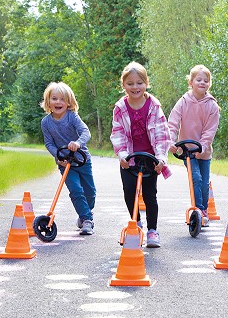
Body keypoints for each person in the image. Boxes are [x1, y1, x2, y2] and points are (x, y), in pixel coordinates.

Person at [110, 61, 172, 248]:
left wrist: (161, 158)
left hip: (150, 159)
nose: (135, 87)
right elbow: (118, 132)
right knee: (129, 192)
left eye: (139, 83)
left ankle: (152, 230)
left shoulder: (154, 106)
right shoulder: (120, 108)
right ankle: (135, 223)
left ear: (146, 83)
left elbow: (162, 134)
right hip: (129, 158)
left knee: (150, 195)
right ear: (124, 85)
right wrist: (122, 155)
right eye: (130, 83)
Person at [40, 82, 97, 235]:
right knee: (76, 190)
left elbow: (86, 132)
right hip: (65, 163)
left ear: (69, 102)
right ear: (48, 102)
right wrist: (58, 157)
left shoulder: (72, 117)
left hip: (82, 160)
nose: (58, 102)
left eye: (62, 99)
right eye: (54, 99)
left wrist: (78, 143)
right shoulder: (46, 122)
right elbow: (49, 143)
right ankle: (87, 220)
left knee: (90, 193)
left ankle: (86, 213)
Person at [168, 65, 220, 227]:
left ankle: (202, 210)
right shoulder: (183, 102)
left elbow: (209, 131)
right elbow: (173, 123)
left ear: (209, 84)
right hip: (186, 150)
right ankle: (199, 210)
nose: (202, 83)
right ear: (191, 82)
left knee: (204, 183)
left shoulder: (212, 106)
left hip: (203, 152)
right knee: (196, 178)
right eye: (198, 80)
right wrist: (170, 141)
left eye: (206, 80)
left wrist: (202, 148)